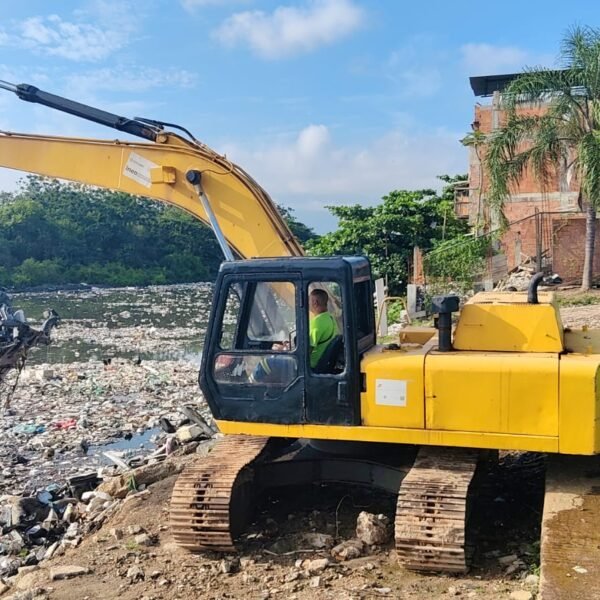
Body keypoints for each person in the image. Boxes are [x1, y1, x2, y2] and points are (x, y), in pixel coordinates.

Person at [309, 288, 339, 369]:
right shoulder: (330, 317)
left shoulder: (317, 322)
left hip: (311, 365)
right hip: (324, 362)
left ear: (315, 303)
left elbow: (306, 351)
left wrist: (285, 349)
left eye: (309, 300)